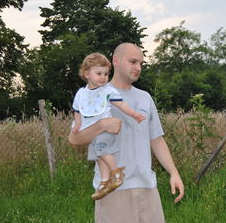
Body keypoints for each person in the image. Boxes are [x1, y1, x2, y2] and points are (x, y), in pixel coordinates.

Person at [69, 43, 184, 223]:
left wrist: (173, 172)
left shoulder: (145, 98)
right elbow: (74, 139)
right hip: (113, 191)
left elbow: (156, 139)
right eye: (133, 62)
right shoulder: (92, 95)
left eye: (141, 64)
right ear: (116, 61)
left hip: (147, 187)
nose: (138, 68)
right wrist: (102, 125)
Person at [71, 52, 145, 200]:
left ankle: (116, 172)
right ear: (87, 74)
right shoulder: (81, 93)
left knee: (103, 150)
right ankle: (104, 182)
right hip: (91, 133)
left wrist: (134, 114)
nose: (103, 77)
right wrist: (78, 123)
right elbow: (77, 110)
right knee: (98, 156)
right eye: (99, 73)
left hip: (106, 130)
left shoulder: (108, 91)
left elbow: (121, 104)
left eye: (106, 74)